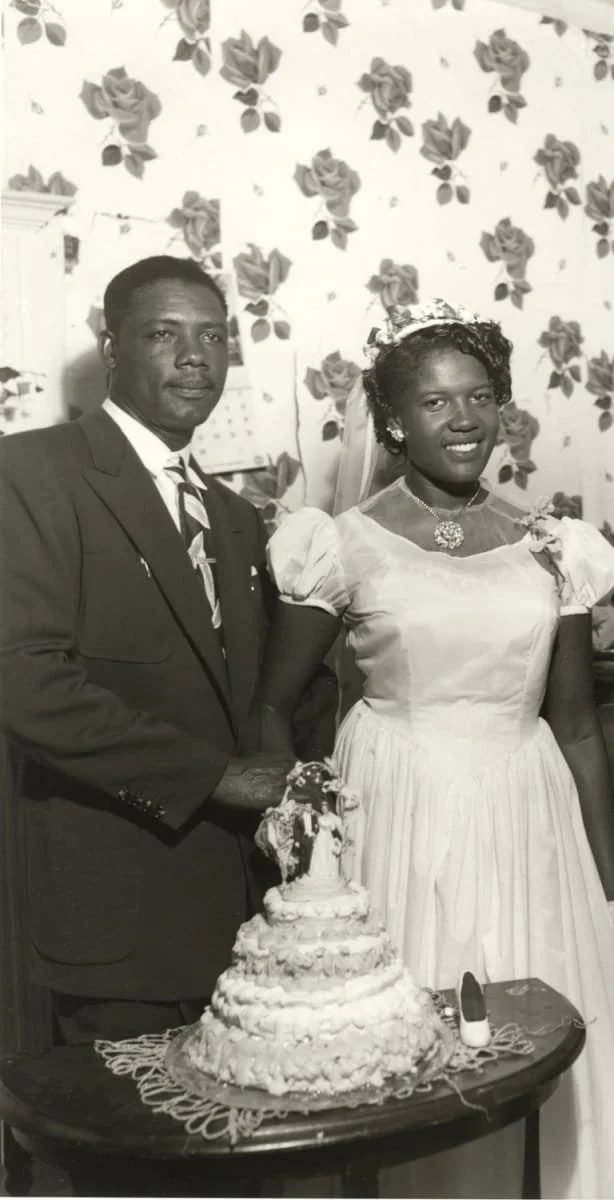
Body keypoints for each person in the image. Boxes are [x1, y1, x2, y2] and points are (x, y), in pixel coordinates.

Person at [258, 299, 614, 1199]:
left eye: (481, 398)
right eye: (435, 403)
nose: (465, 419)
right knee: (407, 1049)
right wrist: (298, 854)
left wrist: (612, 891)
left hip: (527, 805)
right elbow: (272, 709)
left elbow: (580, 727)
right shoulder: (339, 545)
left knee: (539, 1034)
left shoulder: (555, 549)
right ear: (393, 420)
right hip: (394, 802)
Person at [0, 255, 297, 1055]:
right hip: (114, 920)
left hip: (238, 919)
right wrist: (217, 777)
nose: (195, 356)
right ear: (111, 349)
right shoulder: (29, 474)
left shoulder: (234, 516)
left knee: (238, 1161)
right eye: (164, 334)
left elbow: (256, 693)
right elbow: (23, 681)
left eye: (212, 336)